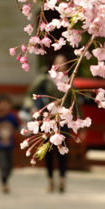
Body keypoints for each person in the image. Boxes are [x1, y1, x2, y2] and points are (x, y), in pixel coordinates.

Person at [24, 52, 70, 192]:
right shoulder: (45, 79)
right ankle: (50, 180)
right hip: (47, 119)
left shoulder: (69, 81)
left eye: (64, 63)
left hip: (63, 120)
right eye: (58, 63)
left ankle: (62, 180)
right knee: (48, 152)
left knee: (63, 151)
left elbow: (74, 102)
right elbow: (29, 95)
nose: (61, 66)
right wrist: (32, 108)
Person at [0, 95, 20, 193]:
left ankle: (6, 180)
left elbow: (18, 128)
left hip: (10, 145)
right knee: (3, 165)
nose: (4, 106)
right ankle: (4, 184)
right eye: (1, 104)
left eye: (6, 104)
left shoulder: (12, 118)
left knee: (10, 165)